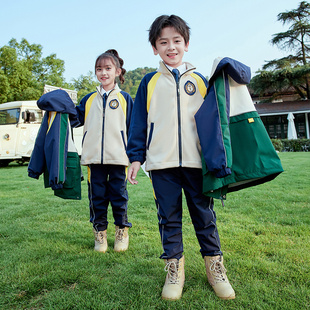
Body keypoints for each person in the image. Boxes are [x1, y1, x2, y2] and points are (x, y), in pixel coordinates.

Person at [126, 15, 235, 300]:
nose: (171, 47)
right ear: (154, 48)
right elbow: (138, 123)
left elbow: (215, 122)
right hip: (161, 165)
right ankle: (175, 271)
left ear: (186, 44)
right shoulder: (148, 83)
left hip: (197, 164)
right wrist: (136, 158)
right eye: (163, 42)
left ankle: (216, 268)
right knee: (169, 218)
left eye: (176, 41)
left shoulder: (201, 81)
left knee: (204, 216)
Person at [75, 49, 133, 253]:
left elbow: (133, 130)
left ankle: (121, 232)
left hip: (119, 159)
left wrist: (135, 158)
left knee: (119, 196)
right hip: (93, 159)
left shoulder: (125, 99)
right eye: (99, 69)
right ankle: (100, 234)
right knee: (97, 198)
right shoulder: (88, 100)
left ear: (117, 71)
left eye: (108, 68)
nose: (103, 73)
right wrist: (59, 105)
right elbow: (74, 119)